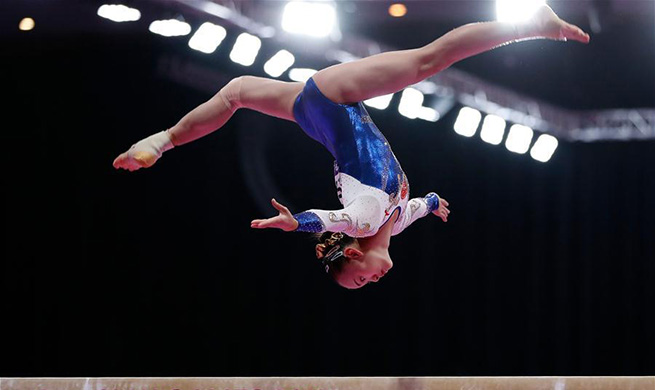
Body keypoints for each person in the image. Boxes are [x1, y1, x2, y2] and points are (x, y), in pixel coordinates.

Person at [113, 5, 589, 289]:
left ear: (356, 255)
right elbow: (417, 207)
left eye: (359, 279)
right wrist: (434, 204)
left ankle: (532, 23)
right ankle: (163, 140)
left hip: (333, 99)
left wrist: (294, 223)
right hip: (314, 117)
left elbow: (331, 221)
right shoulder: (392, 222)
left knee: (427, 61)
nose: (371, 282)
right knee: (236, 92)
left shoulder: (363, 218)